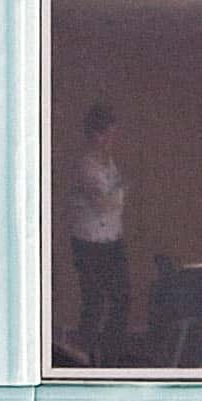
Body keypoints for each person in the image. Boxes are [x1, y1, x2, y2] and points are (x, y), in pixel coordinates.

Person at [67, 102, 128, 366]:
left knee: (121, 297)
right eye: (107, 134)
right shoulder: (86, 166)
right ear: (96, 135)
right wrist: (122, 190)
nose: (111, 140)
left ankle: (111, 356)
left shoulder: (109, 163)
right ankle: (85, 359)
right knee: (95, 300)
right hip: (89, 242)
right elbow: (101, 203)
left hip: (112, 239)